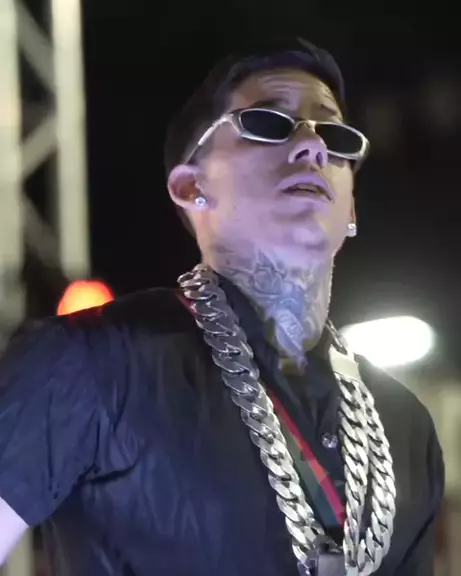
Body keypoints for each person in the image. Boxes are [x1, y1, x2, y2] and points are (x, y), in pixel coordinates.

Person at [0, 37, 444, 576]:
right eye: (269, 123)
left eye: (334, 134)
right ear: (192, 186)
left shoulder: (406, 429)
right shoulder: (89, 365)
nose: (312, 146)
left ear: (350, 205)